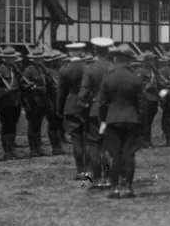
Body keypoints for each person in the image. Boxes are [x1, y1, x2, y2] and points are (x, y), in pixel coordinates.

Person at [96, 44, 145, 198]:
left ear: (116, 58)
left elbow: (102, 103)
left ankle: (115, 188)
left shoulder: (108, 78)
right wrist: (140, 121)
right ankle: (129, 188)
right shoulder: (135, 79)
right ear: (129, 60)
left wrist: (103, 120)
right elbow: (141, 103)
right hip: (132, 119)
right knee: (129, 155)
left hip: (113, 120)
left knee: (115, 155)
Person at [77, 37, 114, 187]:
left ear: (95, 51)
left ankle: (97, 179)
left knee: (94, 145)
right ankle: (110, 177)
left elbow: (83, 93)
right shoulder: (114, 67)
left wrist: (81, 109)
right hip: (112, 111)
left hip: (95, 111)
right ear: (108, 50)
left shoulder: (90, 69)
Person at [57, 43, 88, 177]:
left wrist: (59, 108)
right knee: (87, 138)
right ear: (81, 52)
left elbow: (61, 92)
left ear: (69, 53)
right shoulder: (88, 68)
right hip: (86, 105)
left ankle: (80, 170)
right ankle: (90, 169)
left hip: (70, 105)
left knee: (76, 139)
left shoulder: (64, 70)